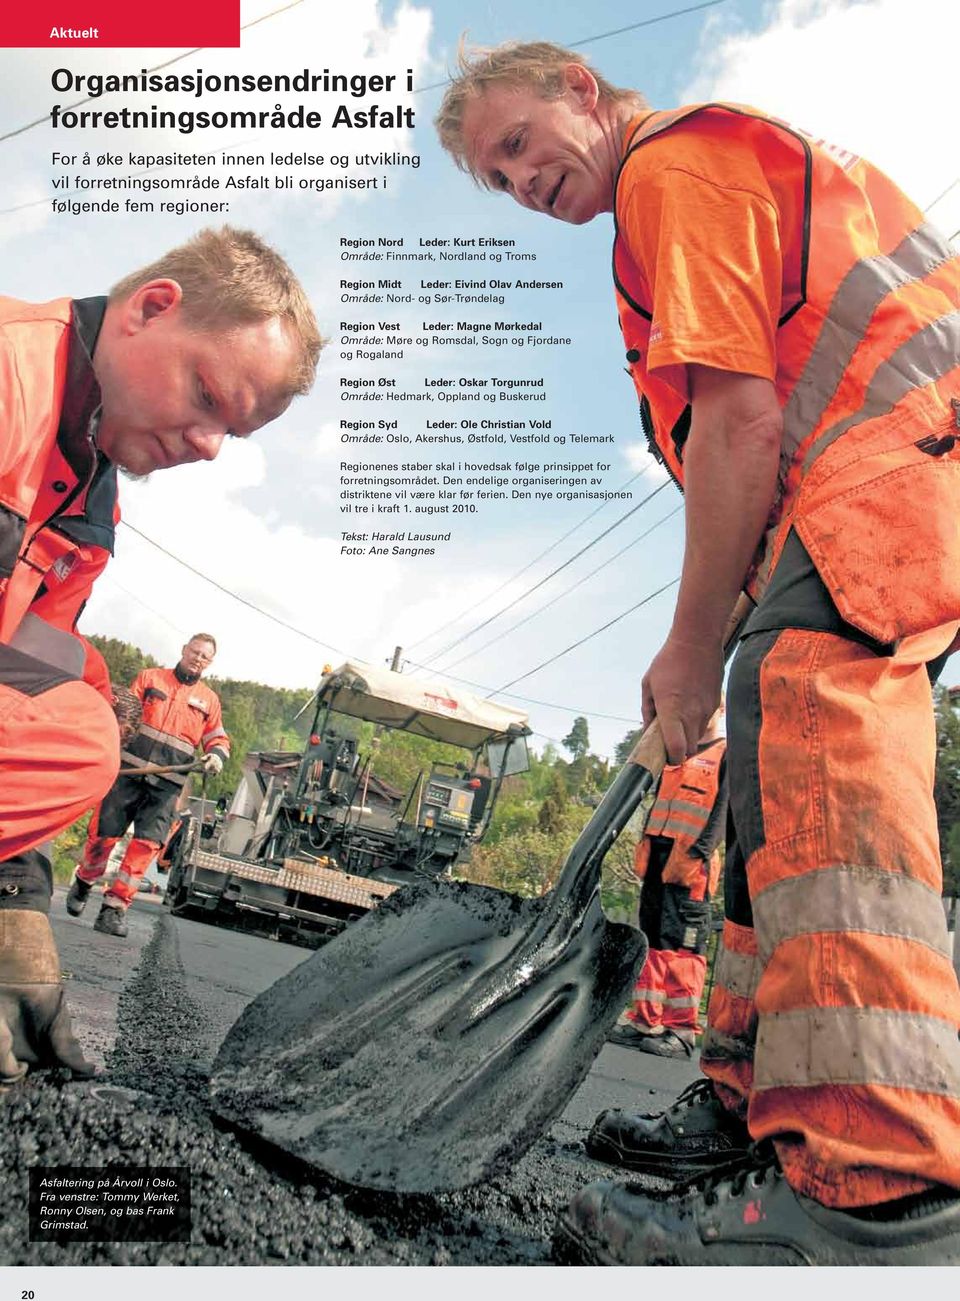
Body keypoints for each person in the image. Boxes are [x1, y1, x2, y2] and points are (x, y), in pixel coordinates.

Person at [436, 42, 960, 1265]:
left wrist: (684, 643)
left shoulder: (678, 168)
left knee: (811, 728)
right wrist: (714, 630)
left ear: (579, 84)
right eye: (499, 182)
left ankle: (873, 1181)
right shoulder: (685, 190)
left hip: (890, 461)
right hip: (880, 474)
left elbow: (740, 416)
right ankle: (746, 1108)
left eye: (518, 145)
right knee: (773, 764)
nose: (524, 184)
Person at [0, 226, 322, 1087]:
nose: (212, 446)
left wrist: (16, 914)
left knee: (74, 696)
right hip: (134, 774)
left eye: (234, 432)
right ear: (151, 308)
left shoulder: (86, 504)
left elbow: (15, 694)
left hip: (158, 783)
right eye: (208, 397)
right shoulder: (8, 375)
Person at [67, 634, 229, 938]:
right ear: (183, 649)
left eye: (205, 656)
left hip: (167, 786)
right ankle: (85, 880)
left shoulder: (210, 701)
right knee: (103, 836)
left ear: (210, 663)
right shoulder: (150, 678)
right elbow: (122, 715)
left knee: (145, 846)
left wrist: (217, 755)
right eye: (195, 651)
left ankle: (114, 909)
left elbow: (217, 737)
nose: (198, 658)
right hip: (127, 772)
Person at [608, 708, 726, 1058]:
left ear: (718, 710)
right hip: (659, 859)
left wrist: (698, 855)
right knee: (654, 940)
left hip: (690, 866)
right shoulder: (676, 753)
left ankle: (681, 1031)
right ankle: (647, 1021)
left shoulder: (725, 754)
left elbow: (723, 813)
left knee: (682, 947)